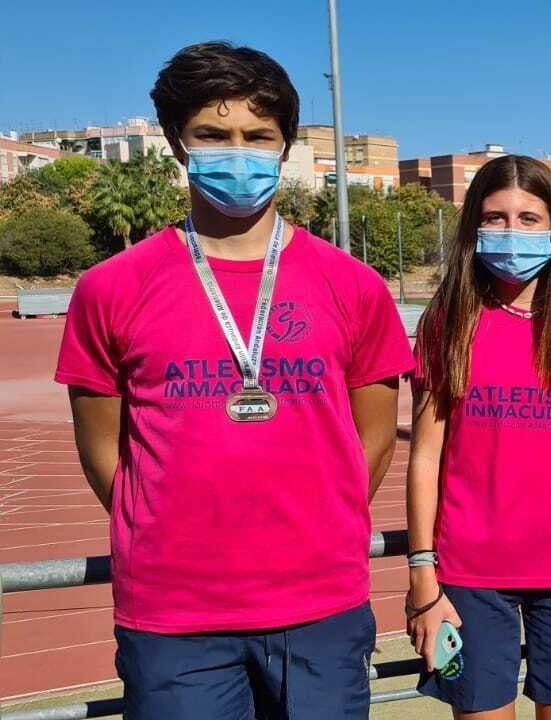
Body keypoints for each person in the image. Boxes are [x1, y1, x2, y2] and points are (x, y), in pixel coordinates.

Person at [54, 41, 412, 719]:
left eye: (258, 136)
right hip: (173, 613)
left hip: (320, 608)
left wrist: (317, 528)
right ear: (176, 142)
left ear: (284, 147)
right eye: (213, 135)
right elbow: (104, 448)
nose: (238, 153)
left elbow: (374, 440)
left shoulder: (353, 287)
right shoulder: (111, 288)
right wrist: (168, 528)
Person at [405, 154, 551, 720]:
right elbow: (426, 454)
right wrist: (422, 574)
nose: (512, 232)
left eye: (528, 218)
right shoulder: (448, 318)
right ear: (473, 227)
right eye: (495, 218)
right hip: (468, 577)